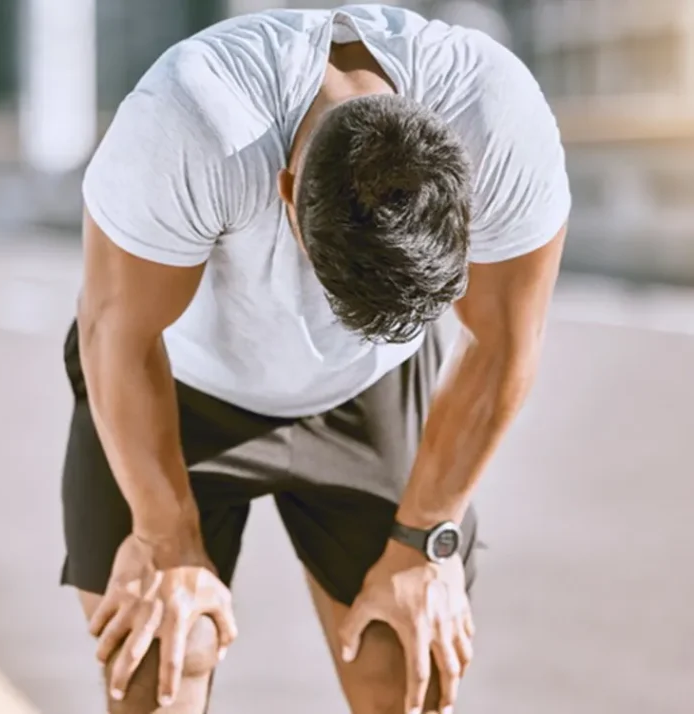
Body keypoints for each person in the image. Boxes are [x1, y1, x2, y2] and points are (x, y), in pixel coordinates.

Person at [58, 5, 570, 713]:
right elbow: (115, 333)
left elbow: (508, 341)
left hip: (371, 392)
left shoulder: (499, 120)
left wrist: (426, 541)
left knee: (405, 667)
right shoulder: (194, 119)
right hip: (179, 382)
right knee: (167, 657)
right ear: (287, 192)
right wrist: (165, 542)